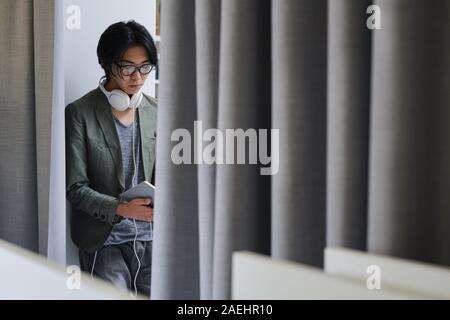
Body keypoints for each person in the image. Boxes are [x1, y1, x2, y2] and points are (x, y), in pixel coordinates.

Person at [65, 20, 158, 298]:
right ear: (106, 64)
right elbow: (75, 188)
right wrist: (122, 209)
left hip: (152, 239)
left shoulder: (156, 111)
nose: (137, 76)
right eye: (127, 67)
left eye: (145, 67)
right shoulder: (81, 112)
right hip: (104, 243)